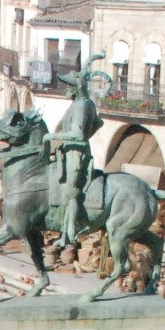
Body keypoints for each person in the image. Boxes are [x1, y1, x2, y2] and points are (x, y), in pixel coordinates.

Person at [42, 53, 106, 248]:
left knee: (71, 191)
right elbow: (99, 123)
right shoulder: (85, 104)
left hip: (75, 153)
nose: (65, 89)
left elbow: (77, 135)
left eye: (68, 86)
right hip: (70, 150)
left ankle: (69, 233)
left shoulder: (80, 106)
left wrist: (51, 137)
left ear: (76, 88)